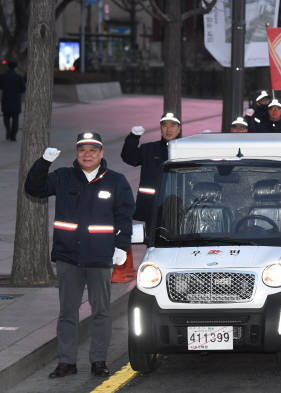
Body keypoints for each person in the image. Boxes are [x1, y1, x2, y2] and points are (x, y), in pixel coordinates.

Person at [24, 132, 135, 379]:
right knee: (67, 312)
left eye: (93, 150)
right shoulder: (63, 177)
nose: (87, 154)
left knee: (101, 312)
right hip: (69, 258)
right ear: (77, 153)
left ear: (101, 153)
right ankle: (66, 362)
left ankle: (98, 361)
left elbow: (125, 217)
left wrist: (121, 247)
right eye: (83, 149)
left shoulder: (115, 181)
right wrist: (43, 162)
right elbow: (34, 188)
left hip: (100, 259)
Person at [121, 112, 181, 231]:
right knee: (153, 245)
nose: (168, 129)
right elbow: (129, 157)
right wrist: (133, 137)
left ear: (179, 128)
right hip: (152, 208)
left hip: (180, 208)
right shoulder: (149, 149)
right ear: (160, 128)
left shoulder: (186, 149)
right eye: (165, 126)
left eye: (173, 125)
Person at [0, 61, 26, 141]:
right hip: (16, 100)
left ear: (8, 67)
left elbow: (1, 87)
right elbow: (23, 89)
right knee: (15, 119)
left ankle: (8, 130)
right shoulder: (19, 77)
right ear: (16, 67)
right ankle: (13, 135)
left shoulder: (3, 76)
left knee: (6, 117)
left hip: (6, 99)